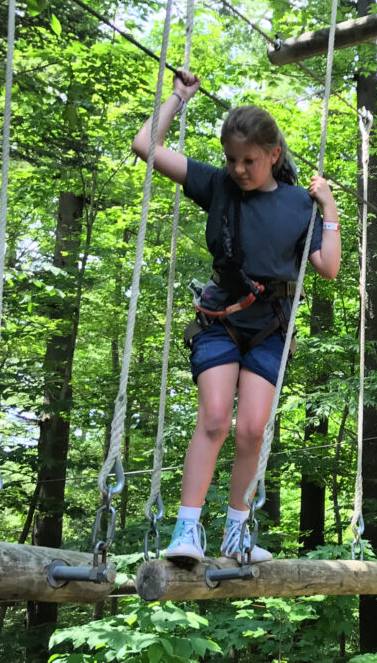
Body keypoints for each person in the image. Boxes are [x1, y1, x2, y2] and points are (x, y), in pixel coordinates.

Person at [131, 71, 340, 563]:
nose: (240, 169)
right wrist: (179, 97)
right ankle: (186, 530)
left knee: (251, 428)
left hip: (268, 326)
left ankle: (237, 533)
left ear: (273, 155)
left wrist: (328, 206)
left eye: (250, 160)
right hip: (221, 318)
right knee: (214, 418)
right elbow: (145, 145)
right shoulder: (217, 185)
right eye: (232, 159)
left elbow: (326, 268)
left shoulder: (298, 204)